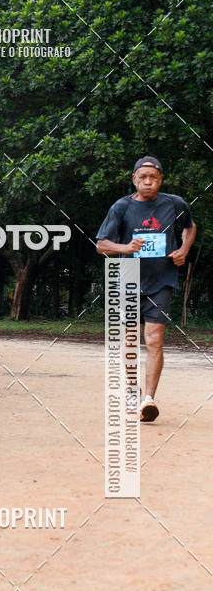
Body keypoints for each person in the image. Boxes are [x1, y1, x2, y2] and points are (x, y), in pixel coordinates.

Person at [96, 155, 196, 422]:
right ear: (134, 180)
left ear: (161, 179)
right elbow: (101, 244)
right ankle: (131, 391)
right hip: (128, 278)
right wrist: (125, 248)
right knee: (130, 341)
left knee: (153, 340)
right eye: (143, 178)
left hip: (161, 280)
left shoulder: (175, 204)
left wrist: (183, 250)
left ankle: (148, 399)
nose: (148, 182)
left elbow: (190, 226)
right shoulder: (121, 207)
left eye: (153, 177)